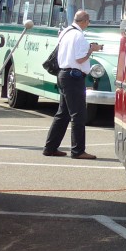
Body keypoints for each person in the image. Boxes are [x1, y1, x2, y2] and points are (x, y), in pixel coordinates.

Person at [42, 9, 102, 160]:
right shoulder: (79, 35)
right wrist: (92, 49)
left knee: (63, 114)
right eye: (88, 22)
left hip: (63, 74)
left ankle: (50, 147)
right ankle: (78, 150)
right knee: (79, 115)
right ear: (85, 21)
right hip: (73, 76)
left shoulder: (66, 32)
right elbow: (81, 58)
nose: (88, 24)